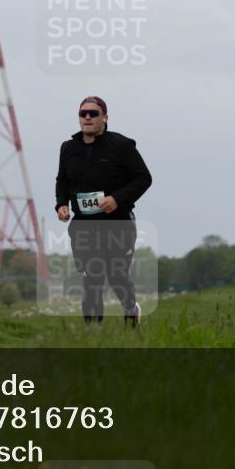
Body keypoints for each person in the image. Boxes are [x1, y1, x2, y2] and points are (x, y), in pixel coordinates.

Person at [55, 96, 152, 326]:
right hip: (84, 225)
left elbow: (144, 178)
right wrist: (61, 204)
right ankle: (93, 334)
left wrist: (117, 199)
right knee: (92, 276)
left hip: (118, 223)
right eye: (83, 113)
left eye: (93, 113)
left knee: (117, 276)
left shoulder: (121, 145)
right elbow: (62, 180)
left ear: (105, 118)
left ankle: (130, 308)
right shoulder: (68, 148)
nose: (87, 117)